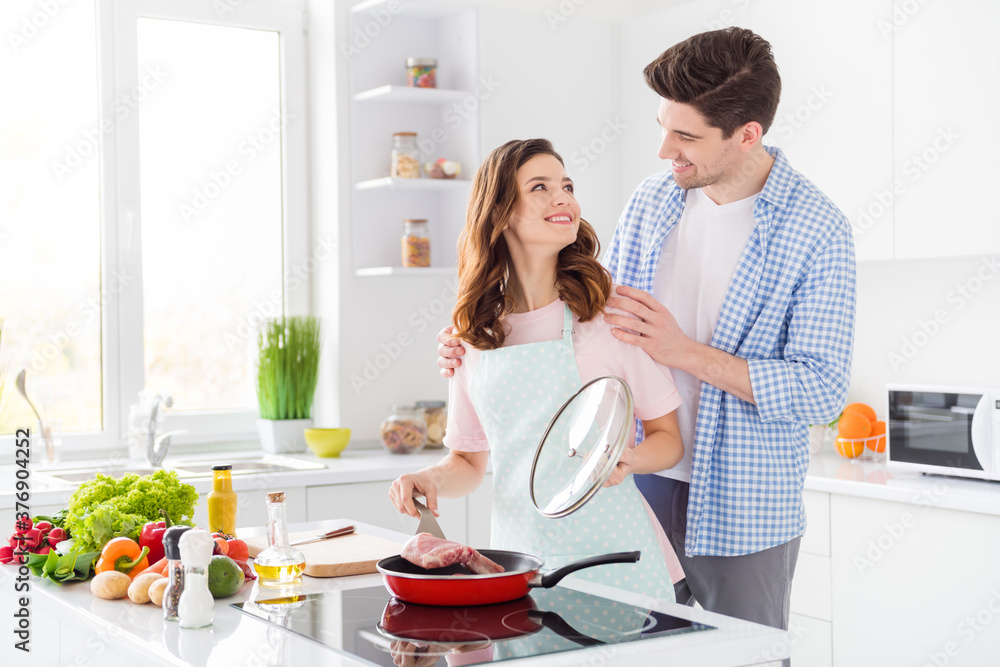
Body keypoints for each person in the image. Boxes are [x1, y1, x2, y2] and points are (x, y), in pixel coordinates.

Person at [438, 28, 856, 633]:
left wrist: (684, 353)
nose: (665, 151)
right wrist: (474, 341)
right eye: (663, 125)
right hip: (635, 480)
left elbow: (820, 392)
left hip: (744, 500)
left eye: (685, 136)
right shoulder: (653, 202)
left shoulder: (817, 230)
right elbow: (590, 318)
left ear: (746, 135)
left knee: (742, 655)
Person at [391, 138, 685, 603]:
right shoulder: (473, 337)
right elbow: (469, 462)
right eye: (541, 187)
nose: (562, 196)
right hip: (521, 561)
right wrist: (430, 481)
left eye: (567, 185)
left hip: (617, 557)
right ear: (501, 212)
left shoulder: (606, 318)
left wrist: (628, 459)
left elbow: (668, 438)